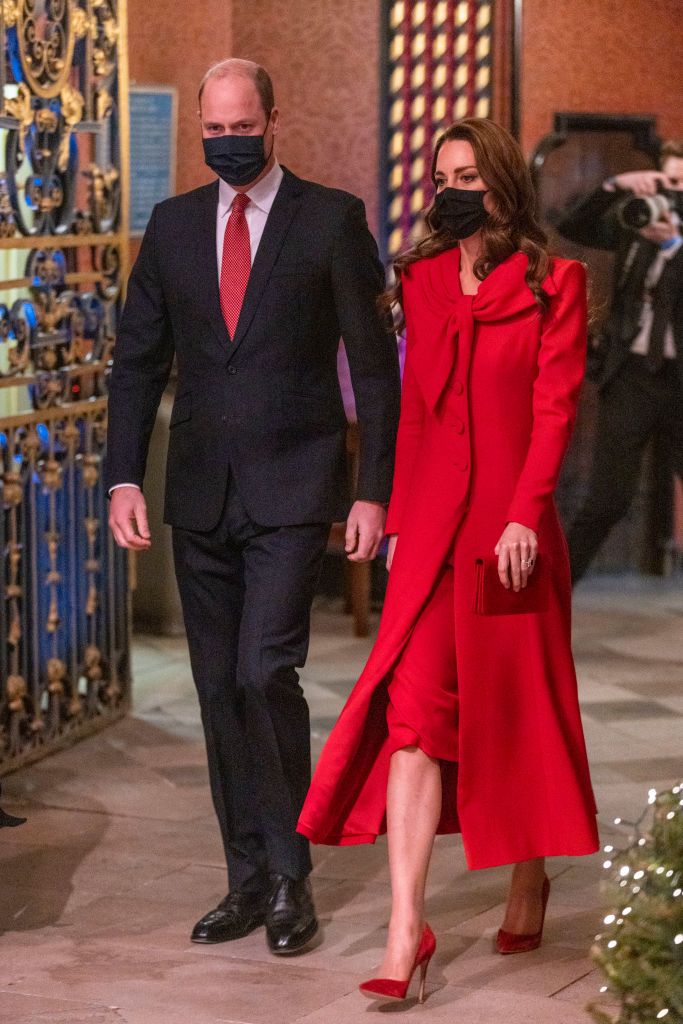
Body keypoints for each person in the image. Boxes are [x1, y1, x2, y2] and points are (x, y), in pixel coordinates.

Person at [297, 117, 599, 1003]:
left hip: (511, 539)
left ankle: (528, 877)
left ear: (503, 183)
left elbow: (554, 411)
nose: (452, 190)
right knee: (414, 720)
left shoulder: (556, 283)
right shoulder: (421, 279)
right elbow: (416, 414)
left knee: (518, 711)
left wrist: (523, 517)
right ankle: (406, 932)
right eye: (442, 176)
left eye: (468, 175)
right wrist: (397, 523)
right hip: (431, 538)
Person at [106, 59, 400, 955]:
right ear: (200, 126)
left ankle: (288, 874)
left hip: (292, 488)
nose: (227, 141)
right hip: (200, 491)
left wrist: (372, 491)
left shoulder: (331, 219)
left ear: (274, 121)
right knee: (214, 688)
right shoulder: (173, 225)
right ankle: (243, 876)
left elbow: (373, 366)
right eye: (214, 129)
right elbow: (137, 362)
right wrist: (123, 477)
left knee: (262, 671)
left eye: (242, 127)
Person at [556, 141, 683, 583]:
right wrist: (615, 186)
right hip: (631, 376)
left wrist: (674, 245)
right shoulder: (637, 222)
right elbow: (573, 226)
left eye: (681, 184)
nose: (672, 193)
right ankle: (552, 596)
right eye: (668, 181)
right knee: (606, 500)